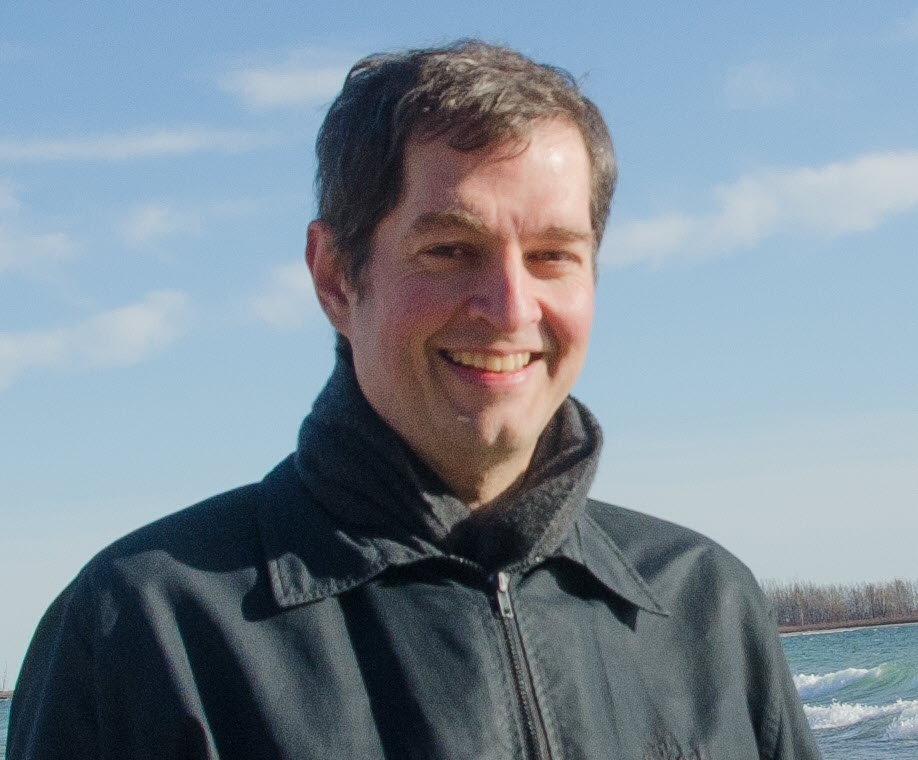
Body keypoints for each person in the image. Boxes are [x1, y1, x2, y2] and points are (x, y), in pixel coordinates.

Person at [7, 40, 821, 759]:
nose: (509, 309)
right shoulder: (146, 630)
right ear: (334, 276)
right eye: (449, 250)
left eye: (551, 256)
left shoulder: (704, 606)